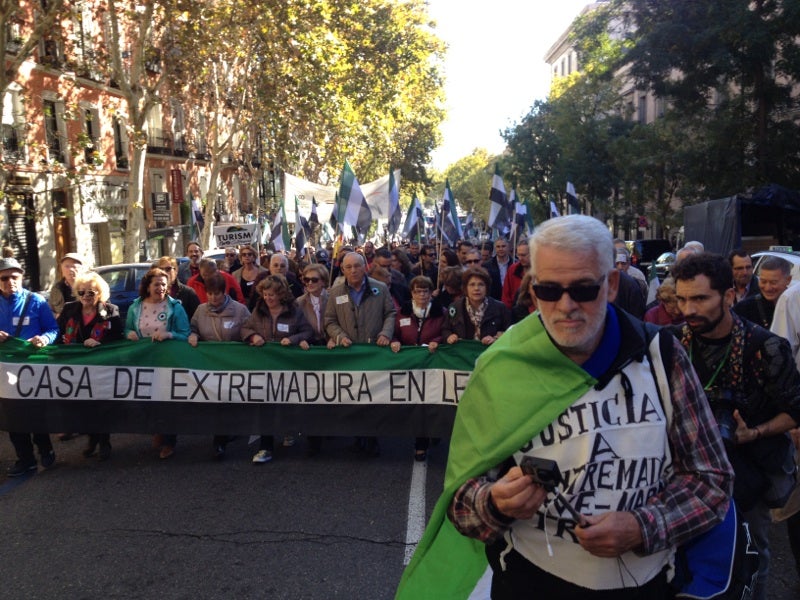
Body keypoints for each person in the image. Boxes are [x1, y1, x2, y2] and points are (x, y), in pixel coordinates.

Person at [398, 216, 732, 598]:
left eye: (584, 289)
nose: (566, 306)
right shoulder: (500, 368)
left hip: (647, 585)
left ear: (611, 285)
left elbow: (712, 480)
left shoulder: (663, 355)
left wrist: (644, 526)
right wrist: (494, 503)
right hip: (530, 583)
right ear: (533, 290)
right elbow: (461, 504)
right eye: (549, 290)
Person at [672, 252, 800, 600]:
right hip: (686, 473)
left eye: (700, 298)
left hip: (748, 471)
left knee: (751, 553)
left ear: (728, 296)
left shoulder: (766, 347)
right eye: (682, 299)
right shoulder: (669, 343)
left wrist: (752, 432)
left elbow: (796, 410)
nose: (688, 310)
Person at [324, 251, 395, 457]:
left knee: (373, 396)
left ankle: (373, 439)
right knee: (354, 395)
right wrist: (338, 336)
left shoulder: (379, 289)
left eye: (357, 266)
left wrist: (385, 332)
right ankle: (358, 437)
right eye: (349, 267)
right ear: (343, 270)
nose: (353, 270)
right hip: (349, 354)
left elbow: (390, 313)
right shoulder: (336, 293)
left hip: (373, 352)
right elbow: (329, 321)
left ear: (365, 266)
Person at [241, 274, 313, 464]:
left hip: (287, 367)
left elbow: (307, 331)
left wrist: (293, 339)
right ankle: (265, 447)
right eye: (265, 294)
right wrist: (252, 336)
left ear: (281, 295)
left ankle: (288, 431)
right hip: (264, 367)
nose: (268, 298)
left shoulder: (293, 311)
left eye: (272, 295)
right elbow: (245, 328)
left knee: (287, 403)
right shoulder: (259, 310)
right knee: (266, 406)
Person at [0, 257, 60, 476]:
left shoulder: (36, 301)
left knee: (36, 413)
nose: (10, 281)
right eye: (4, 278)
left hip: (33, 368)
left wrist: (44, 339)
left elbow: (53, 329)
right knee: (12, 417)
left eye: (14, 277)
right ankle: (25, 459)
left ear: (21, 277)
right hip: (5, 372)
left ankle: (46, 450)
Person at [125, 267, 192, 459]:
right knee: (147, 399)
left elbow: (185, 333)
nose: (161, 288)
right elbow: (128, 328)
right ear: (147, 286)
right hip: (143, 360)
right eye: (157, 284)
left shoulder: (175, 307)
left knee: (167, 400)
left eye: (164, 284)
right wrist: (128, 333)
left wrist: (169, 334)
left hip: (167, 361)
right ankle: (157, 430)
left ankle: (169, 441)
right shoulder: (135, 307)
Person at [56, 271, 124, 461]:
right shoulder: (69, 309)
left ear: (99, 294)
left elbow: (118, 336)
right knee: (81, 406)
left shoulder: (110, 311)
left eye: (91, 293)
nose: (86, 296)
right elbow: (57, 333)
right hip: (74, 368)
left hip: (101, 366)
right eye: (82, 292)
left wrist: (100, 342)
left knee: (100, 405)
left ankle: (104, 442)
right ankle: (92, 438)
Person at [187, 273, 251, 459]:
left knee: (229, 402)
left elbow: (248, 329)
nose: (213, 298)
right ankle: (219, 441)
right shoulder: (200, 310)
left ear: (224, 292)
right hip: (210, 365)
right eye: (210, 293)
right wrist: (193, 335)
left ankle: (226, 435)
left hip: (234, 364)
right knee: (217, 403)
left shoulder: (239, 310)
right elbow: (193, 328)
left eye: (217, 294)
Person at [390, 275, 446, 461]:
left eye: (425, 291)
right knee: (419, 404)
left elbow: (446, 333)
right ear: (412, 293)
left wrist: (436, 341)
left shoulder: (441, 312)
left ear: (431, 293)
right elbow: (395, 334)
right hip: (411, 367)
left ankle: (436, 432)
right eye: (417, 291)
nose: (422, 295)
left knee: (434, 402)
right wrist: (395, 342)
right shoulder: (402, 312)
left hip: (434, 365)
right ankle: (420, 443)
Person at [296, 263, 330, 457]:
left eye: (314, 280)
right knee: (312, 396)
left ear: (323, 281)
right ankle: (313, 440)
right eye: (306, 280)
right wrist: (301, 339)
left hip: (330, 350)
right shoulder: (299, 302)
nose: (309, 283)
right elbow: (295, 326)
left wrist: (334, 337)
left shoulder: (334, 298)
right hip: (309, 351)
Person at [443, 267, 512, 346]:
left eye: (481, 284)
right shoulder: (455, 307)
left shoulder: (500, 308)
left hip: (489, 353)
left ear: (487, 287)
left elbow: (510, 332)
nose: (476, 288)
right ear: (465, 288)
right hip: (463, 354)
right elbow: (445, 329)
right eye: (472, 285)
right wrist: (450, 336)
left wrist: (496, 338)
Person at [732, 255, 791, 328]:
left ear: (788, 280)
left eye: (773, 282)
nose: (767, 288)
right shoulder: (743, 309)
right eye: (763, 281)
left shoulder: (796, 304)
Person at [154, 256, 200, 320]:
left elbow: (196, 319)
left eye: (168, 269)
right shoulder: (153, 292)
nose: (164, 272)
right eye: (161, 269)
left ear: (176, 270)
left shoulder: (188, 293)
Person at [48, 252, 83, 318]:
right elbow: (50, 310)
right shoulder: (56, 288)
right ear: (61, 269)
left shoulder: (89, 286)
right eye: (67, 266)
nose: (71, 269)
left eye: (74, 266)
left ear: (82, 268)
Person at [501, 240, 530, 309]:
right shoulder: (513, 269)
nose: (520, 258)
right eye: (518, 255)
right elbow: (506, 295)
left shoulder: (540, 270)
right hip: (515, 313)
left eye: (523, 255)